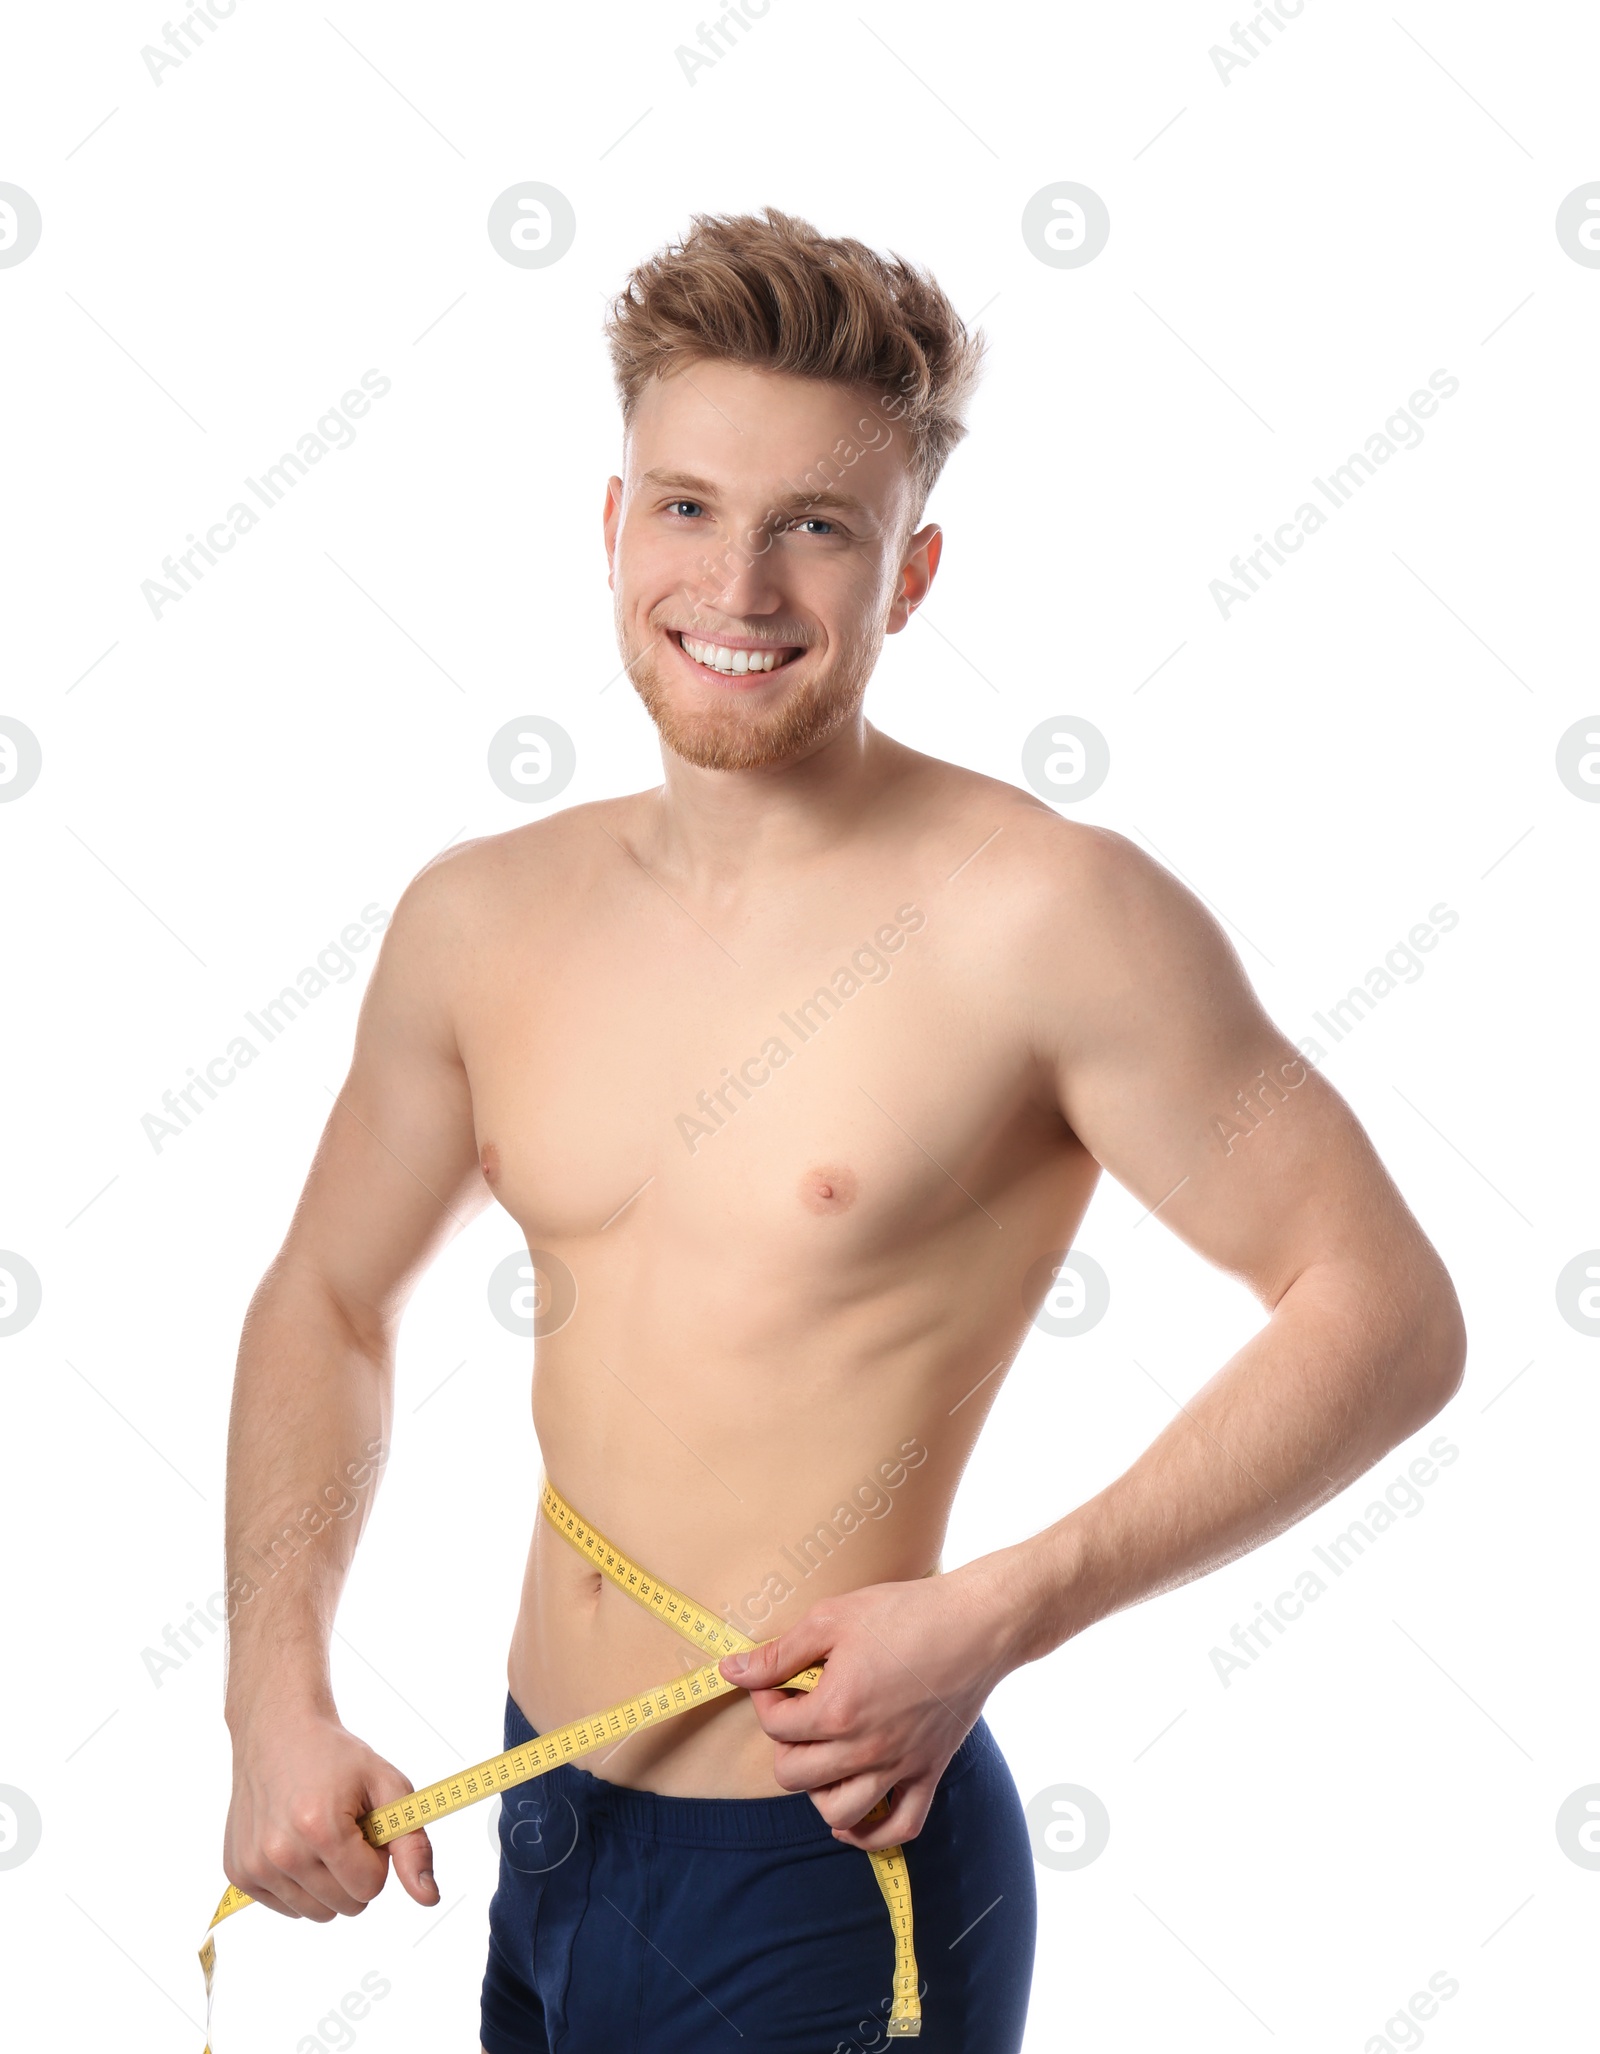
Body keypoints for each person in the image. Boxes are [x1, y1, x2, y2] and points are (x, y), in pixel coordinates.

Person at [219, 207, 1466, 2054]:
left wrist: (1000, 1610)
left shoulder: (1049, 914)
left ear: (915, 570)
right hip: (536, 1815)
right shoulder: (476, 918)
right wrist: (270, 1692)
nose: (739, 586)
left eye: (818, 525)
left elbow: (1387, 1310)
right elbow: (326, 1294)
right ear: (614, 522)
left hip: (830, 1863)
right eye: (690, 506)